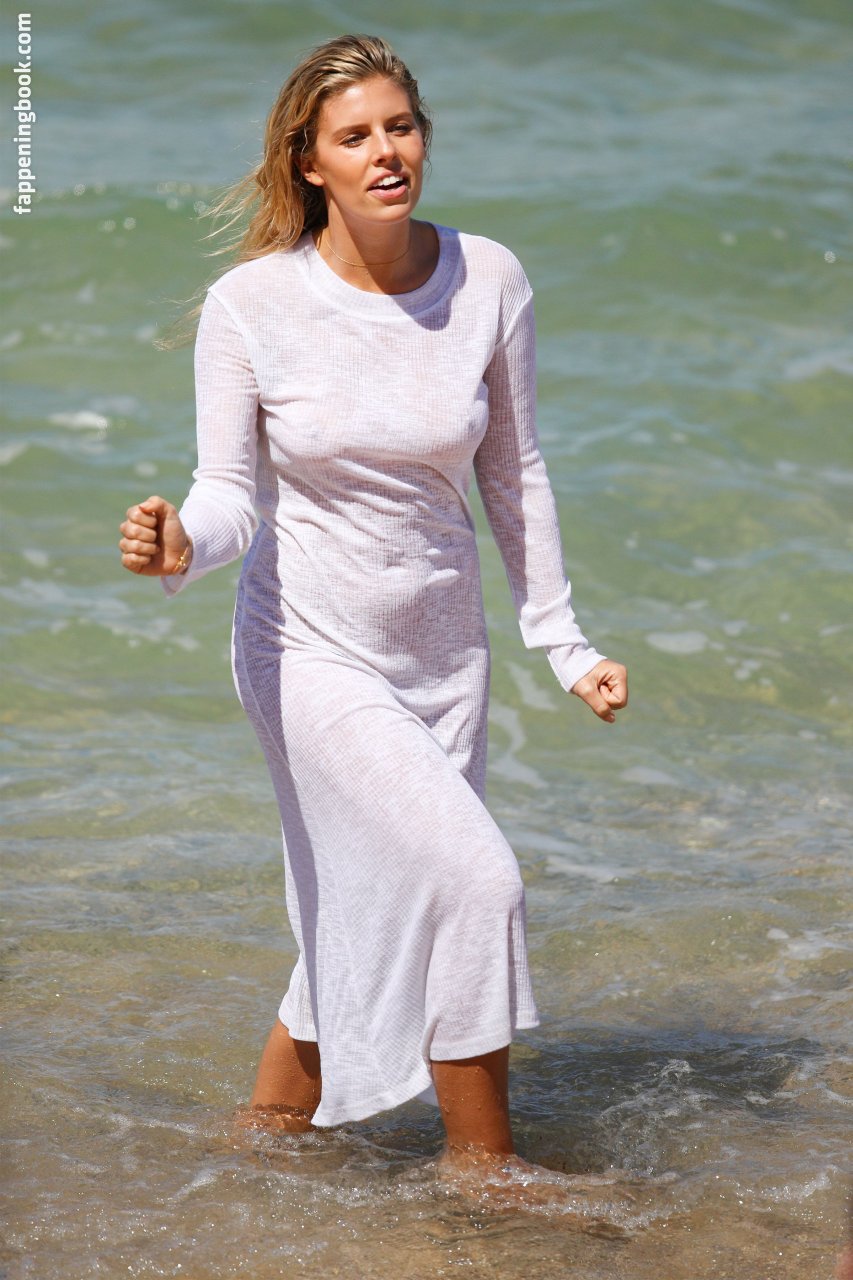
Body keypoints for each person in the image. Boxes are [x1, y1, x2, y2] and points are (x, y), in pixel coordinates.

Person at [118, 33, 628, 1178]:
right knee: (477, 879)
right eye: (355, 136)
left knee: (376, 906)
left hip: (443, 657)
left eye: (400, 127)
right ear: (310, 162)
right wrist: (180, 541)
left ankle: (259, 1145)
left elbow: (516, 473)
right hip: (307, 650)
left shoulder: (487, 278)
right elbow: (226, 493)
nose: (385, 151)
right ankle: (484, 1172)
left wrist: (563, 642)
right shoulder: (252, 303)